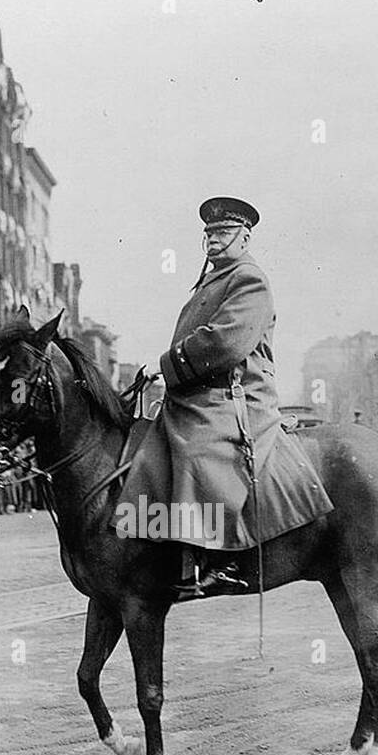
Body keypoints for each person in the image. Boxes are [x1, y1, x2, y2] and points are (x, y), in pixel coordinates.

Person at [117, 196, 332, 596]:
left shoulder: (249, 278)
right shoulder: (214, 279)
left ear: (245, 237)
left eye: (223, 233)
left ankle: (219, 559)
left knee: (200, 450)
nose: (213, 241)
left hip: (237, 395)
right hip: (203, 392)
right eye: (209, 234)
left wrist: (164, 366)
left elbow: (226, 343)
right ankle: (158, 546)